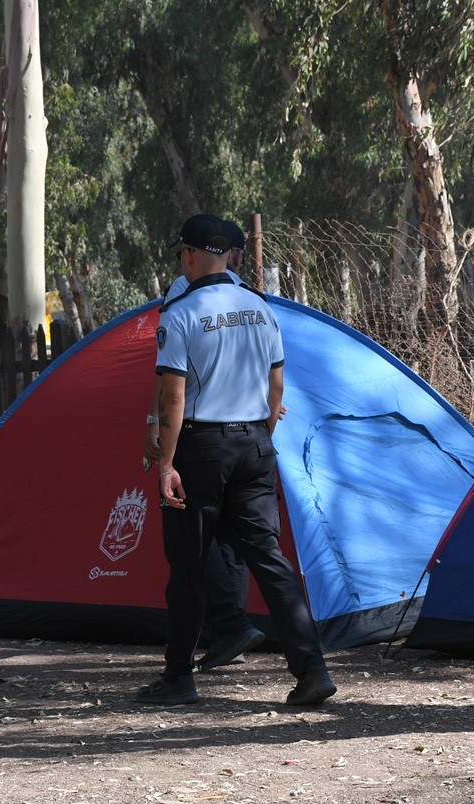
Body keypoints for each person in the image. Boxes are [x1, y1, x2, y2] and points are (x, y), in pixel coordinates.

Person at [138, 214, 336, 707]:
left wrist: (166, 462)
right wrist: (261, 437)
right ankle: (311, 669)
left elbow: (174, 397)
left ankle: (178, 677)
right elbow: (276, 386)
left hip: (202, 446)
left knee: (187, 566)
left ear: (188, 256)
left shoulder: (180, 312)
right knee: (269, 558)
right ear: (230, 256)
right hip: (254, 442)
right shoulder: (260, 307)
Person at [145, 217, 266, 672]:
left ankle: (226, 628)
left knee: (206, 543)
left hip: (213, 437)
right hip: (242, 434)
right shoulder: (186, 293)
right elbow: (167, 373)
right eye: (234, 250)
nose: (236, 258)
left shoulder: (241, 295)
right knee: (227, 539)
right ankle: (228, 627)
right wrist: (153, 421)